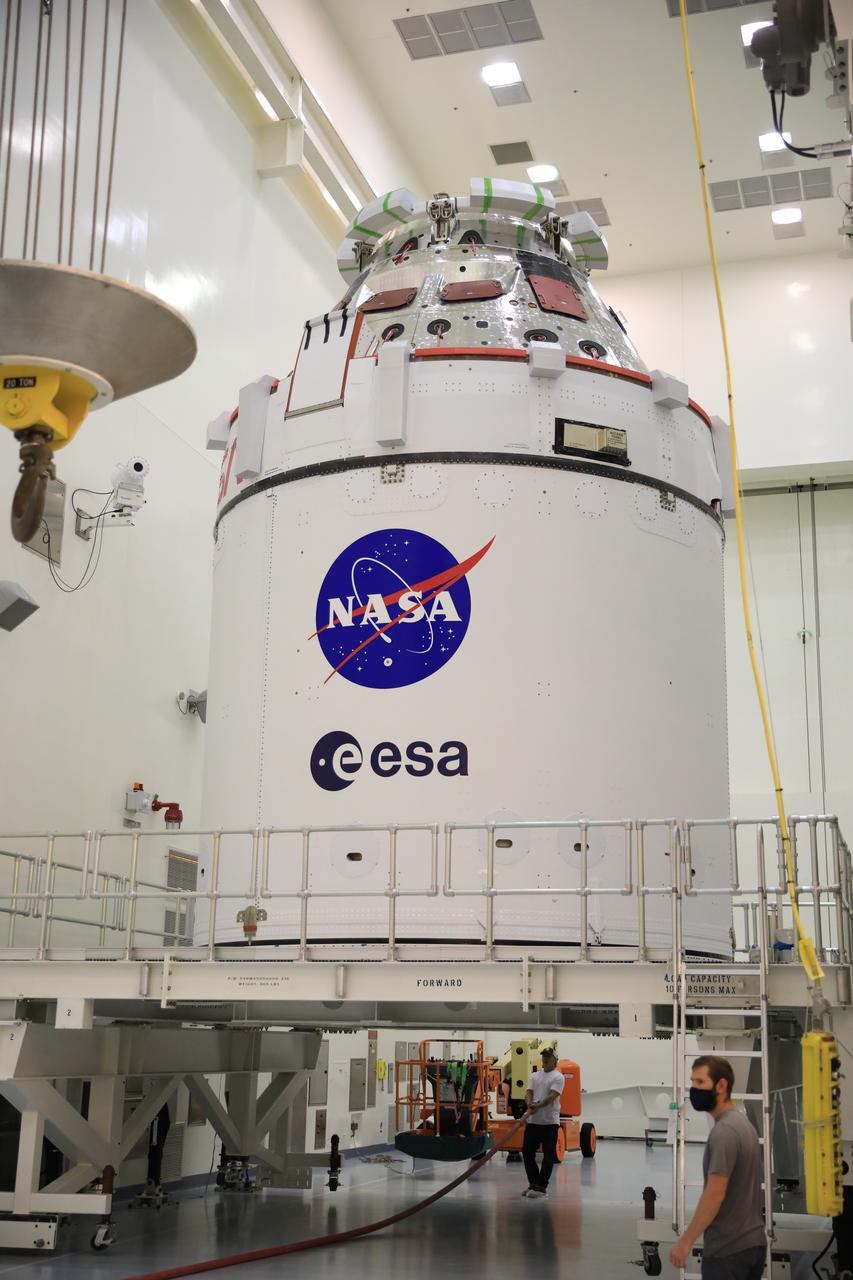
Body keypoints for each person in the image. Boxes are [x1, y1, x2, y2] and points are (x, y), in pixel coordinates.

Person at [669, 1055, 766, 1279]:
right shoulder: (744, 1125)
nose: (694, 1088)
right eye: (692, 1082)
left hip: (727, 1251)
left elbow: (715, 1193)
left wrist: (686, 1240)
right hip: (753, 1245)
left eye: (700, 1082)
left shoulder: (724, 1132)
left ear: (721, 1085)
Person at [521, 1046, 565, 1198]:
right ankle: (534, 1184)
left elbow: (552, 1096)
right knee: (527, 1153)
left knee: (548, 1155)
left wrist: (538, 1105)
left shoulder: (558, 1077)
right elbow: (528, 1092)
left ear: (555, 1060)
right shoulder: (535, 1076)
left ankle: (541, 1187)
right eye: (544, 1056)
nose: (545, 1059)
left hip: (549, 1123)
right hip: (533, 1122)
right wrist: (529, 1103)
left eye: (548, 1056)